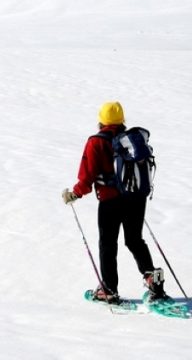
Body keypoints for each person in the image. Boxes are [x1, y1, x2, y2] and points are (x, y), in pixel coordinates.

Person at [62, 101, 165, 303]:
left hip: (110, 201)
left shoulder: (96, 142)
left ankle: (108, 289)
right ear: (122, 120)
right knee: (135, 240)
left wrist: (74, 194)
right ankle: (153, 278)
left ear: (101, 120)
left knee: (108, 244)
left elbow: (87, 176)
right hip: (135, 198)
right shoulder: (132, 141)